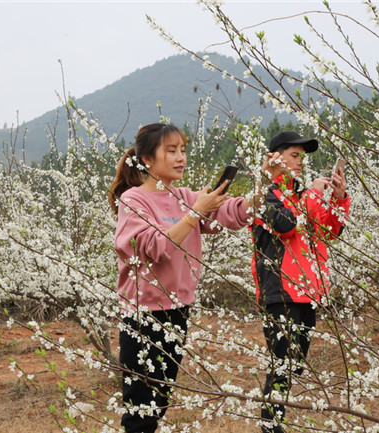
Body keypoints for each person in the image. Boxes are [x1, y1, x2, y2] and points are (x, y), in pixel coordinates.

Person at [109, 123, 253, 433]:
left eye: (183, 151)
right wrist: (194, 213)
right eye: (171, 151)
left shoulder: (185, 196)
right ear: (148, 159)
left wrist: (264, 194)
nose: (180, 158)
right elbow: (151, 247)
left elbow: (229, 212)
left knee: (159, 404)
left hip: (178, 310)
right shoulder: (134, 201)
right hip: (143, 316)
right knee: (139, 412)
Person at [251, 130, 351, 433]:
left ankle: (274, 422)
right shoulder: (263, 196)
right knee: (281, 364)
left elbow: (331, 231)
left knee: (293, 365)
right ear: (275, 158)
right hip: (279, 292)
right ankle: (271, 426)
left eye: (301, 158)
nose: (300, 163)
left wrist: (338, 196)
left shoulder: (300, 194)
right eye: (294, 156)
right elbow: (285, 225)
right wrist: (309, 196)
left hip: (309, 292)